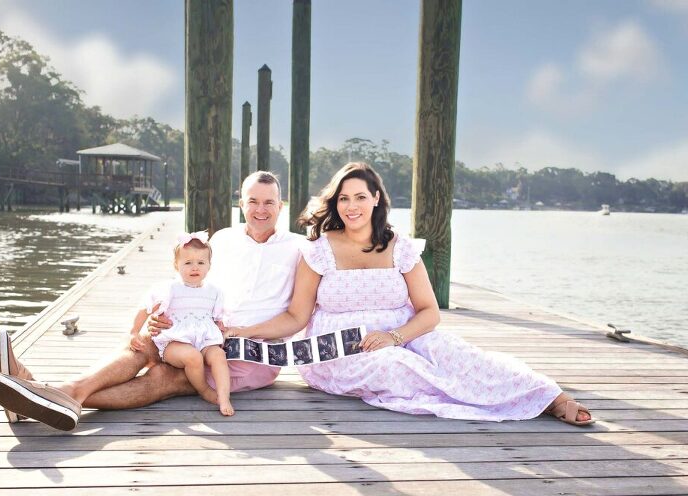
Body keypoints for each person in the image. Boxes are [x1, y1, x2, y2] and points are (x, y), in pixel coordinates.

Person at [226, 162, 594, 426]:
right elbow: (296, 318)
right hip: (339, 351)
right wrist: (243, 333)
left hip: (403, 334)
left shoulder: (399, 247)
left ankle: (545, 396)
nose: (350, 206)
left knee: (461, 356)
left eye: (359, 197)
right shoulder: (318, 250)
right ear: (335, 203)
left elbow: (429, 312)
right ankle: (506, 401)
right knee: (400, 367)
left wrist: (394, 336)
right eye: (343, 198)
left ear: (375, 200)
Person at [0, 171, 304, 431]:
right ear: (241, 203)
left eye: (269, 203)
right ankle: (57, 395)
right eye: (253, 202)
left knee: (165, 378)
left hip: (252, 352)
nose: (260, 210)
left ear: (281, 204)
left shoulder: (298, 248)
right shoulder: (223, 239)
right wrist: (160, 318)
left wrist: (241, 331)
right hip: (200, 328)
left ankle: (42, 393)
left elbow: (296, 317)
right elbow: (198, 286)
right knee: (141, 344)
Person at [131, 231, 232, 416]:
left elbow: (218, 317)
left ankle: (224, 397)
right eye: (188, 263)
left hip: (204, 338)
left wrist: (221, 325)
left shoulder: (214, 291)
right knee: (192, 357)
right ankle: (203, 390)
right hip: (175, 340)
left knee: (218, 355)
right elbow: (145, 308)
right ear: (176, 265)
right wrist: (134, 332)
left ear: (209, 265)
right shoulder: (170, 289)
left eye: (201, 263)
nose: (195, 268)